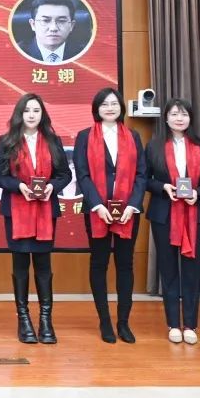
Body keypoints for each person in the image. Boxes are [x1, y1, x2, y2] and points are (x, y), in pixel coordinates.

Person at [0, 93, 71, 344]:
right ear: (19, 114)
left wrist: (52, 187)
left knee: (44, 265)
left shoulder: (53, 141)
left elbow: (65, 175)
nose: (32, 115)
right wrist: (18, 186)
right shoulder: (7, 141)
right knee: (21, 264)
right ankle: (23, 320)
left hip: (46, 210)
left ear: (42, 114)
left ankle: (46, 321)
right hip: (17, 211)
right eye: (27, 111)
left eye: (36, 110)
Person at [73, 87, 146, 344]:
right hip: (97, 211)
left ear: (121, 107)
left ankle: (123, 322)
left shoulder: (133, 136)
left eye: (114, 103)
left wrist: (132, 206)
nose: (110, 108)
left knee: (125, 264)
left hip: (128, 211)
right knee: (99, 263)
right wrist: (97, 205)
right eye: (104, 104)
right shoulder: (85, 136)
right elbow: (82, 174)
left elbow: (141, 174)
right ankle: (104, 321)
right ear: (96, 109)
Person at [145, 98, 200, 345]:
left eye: (184, 114)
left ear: (190, 118)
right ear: (166, 118)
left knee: (192, 270)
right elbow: (144, 179)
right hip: (164, 214)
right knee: (168, 270)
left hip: (196, 214)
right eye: (174, 114)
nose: (179, 118)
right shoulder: (154, 146)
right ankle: (173, 323)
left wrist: (199, 193)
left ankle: (190, 324)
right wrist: (163, 187)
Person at [21, 0, 80, 64]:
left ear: (71, 25)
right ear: (33, 24)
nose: (53, 28)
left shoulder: (83, 52)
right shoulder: (16, 53)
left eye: (61, 21)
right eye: (45, 21)